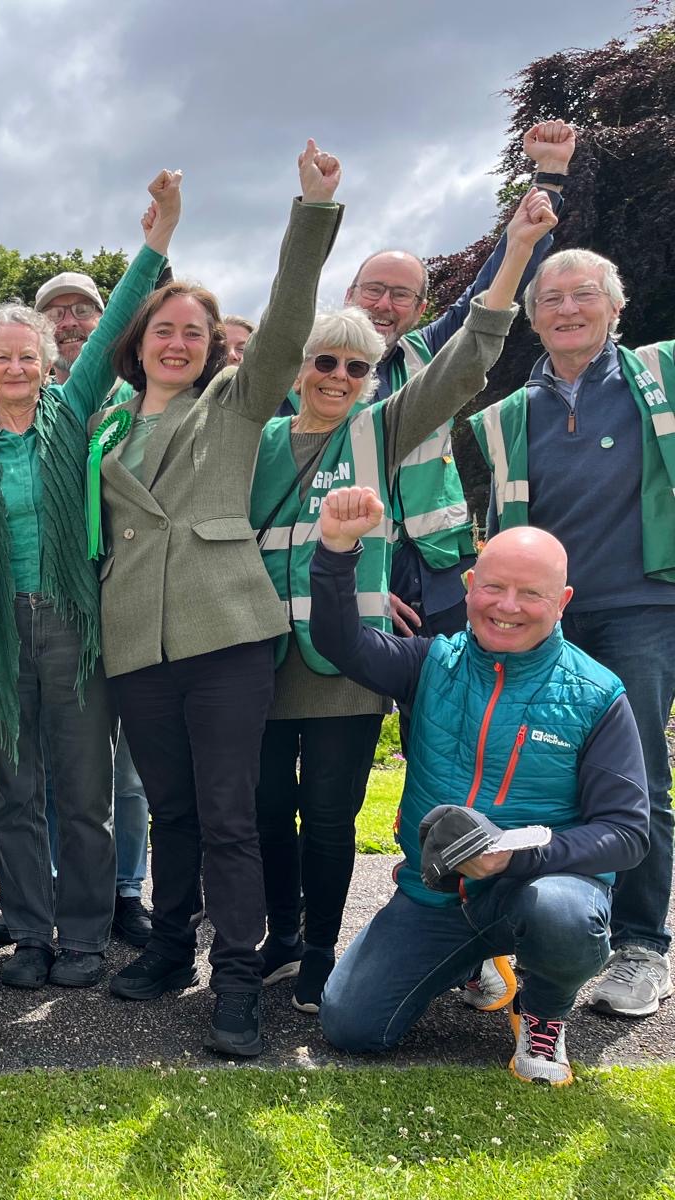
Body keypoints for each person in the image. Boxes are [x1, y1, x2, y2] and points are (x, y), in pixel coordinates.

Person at [250, 190, 556, 1013]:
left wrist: (519, 250)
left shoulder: (381, 429)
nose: (340, 377)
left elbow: (463, 363)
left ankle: (318, 950)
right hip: (260, 659)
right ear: (299, 366)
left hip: (344, 659)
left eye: (356, 367)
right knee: (268, 809)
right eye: (324, 362)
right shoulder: (257, 438)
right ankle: (281, 934)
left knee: (329, 812)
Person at [96, 141, 343, 1057]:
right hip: (138, 641)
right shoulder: (103, 423)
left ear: (210, 349)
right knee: (174, 810)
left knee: (232, 812)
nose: (177, 342)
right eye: (164, 330)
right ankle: (170, 949)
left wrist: (311, 210)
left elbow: (284, 324)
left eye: (194, 332)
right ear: (141, 342)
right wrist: (153, 242)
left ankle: (237, 982)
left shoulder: (236, 405)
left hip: (227, 633)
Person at [0, 177, 178, 990]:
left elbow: (116, 325)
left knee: (85, 794)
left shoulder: (75, 415)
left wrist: (158, 237)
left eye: (27, 355)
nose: (16, 367)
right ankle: (30, 932)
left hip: (73, 625)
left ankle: (86, 937)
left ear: (44, 362)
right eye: (0, 358)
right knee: (15, 794)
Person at [313, 486, 649, 1086]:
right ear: (470, 586)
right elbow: (341, 644)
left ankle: (544, 1012)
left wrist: (519, 856)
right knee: (351, 1027)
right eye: (494, 586)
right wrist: (338, 551)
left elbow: (627, 834)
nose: (508, 606)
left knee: (564, 916)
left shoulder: (599, 694)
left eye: (531, 593)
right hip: (437, 894)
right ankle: (476, 961)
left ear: (563, 600)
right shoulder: (430, 662)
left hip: (543, 890)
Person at [471, 244, 675, 1019]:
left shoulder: (660, 376)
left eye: (582, 294)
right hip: (546, 620)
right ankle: (521, 933)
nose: (565, 308)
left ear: (614, 309)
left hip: (640, 608)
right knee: (527, 772)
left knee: (640, 781)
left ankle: (640, 949)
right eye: (549, 300)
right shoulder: (511, 416)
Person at [340, 122, 573, 640]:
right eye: (374, 289)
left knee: (446, 704)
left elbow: (499, 277)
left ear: (422, 308)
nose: (384, 304)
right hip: (352, 561)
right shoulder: (313, 372)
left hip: (439, 566)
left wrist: (549, 176)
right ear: (349, 293)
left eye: (401, 295)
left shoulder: (433, 352)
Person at [28, 269, 155, 946]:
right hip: (58, 614)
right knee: (60, 767)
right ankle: (60, 886)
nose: (72, 322)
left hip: (129, 600)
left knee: (128, 770)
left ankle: (128, 891)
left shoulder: (141, 399)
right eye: (58, 313)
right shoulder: (24, 408)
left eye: (85, 311)